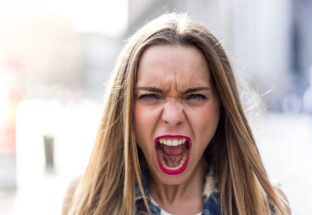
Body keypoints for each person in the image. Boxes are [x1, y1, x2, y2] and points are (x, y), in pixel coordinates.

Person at [63, 13, 290, 215]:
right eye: (151, 96)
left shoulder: (268, 207)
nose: (172, 116)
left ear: (222, 107)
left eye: (194, 96)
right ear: (125, 110)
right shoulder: (86, 201)